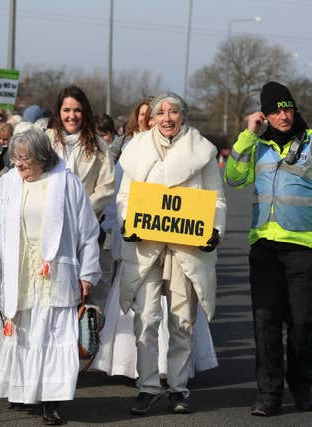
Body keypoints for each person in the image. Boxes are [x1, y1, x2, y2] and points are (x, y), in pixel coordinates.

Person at [225, 81, 312, 416]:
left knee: (301, 324)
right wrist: (247, 135)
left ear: (295, 109)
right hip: (264, 247)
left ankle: (301, 387)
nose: (283, 115)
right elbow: (234, 177)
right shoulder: (258, 145)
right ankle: (268, 394)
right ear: (264, 114)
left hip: (304, 249)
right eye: (275, 110)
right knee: (264, 324)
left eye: (288, 108)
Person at [0, 127, 100, 425]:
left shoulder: (66, 184)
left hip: (55, 272)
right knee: (22, 331)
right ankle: (22, 391)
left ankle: (50, 400)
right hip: (17, 270)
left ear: (43, 158)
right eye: (15, 159)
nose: (18, 166)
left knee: (51, 334)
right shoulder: (6, 185)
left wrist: (88, 273)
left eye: (25, 160)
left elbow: (88, 232)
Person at [117, 92, 227, 415]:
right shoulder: (135, 151)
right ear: (151, 117)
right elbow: (125, 196)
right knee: (147, 318)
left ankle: (178, 388)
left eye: (174, 111)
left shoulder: (201, 151)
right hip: (147, 245)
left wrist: (213, 231)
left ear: (183, 116)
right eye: (161, 112)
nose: (167, 118)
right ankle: (148, 385)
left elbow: (216, 199)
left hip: (185, 247)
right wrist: (127, 222)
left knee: (182, 320)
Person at [47, 86, 115, 220]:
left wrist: (85, 210)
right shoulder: (45, 140)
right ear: (59, 112)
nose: (72, 116)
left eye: (77, 110)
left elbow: (106, 186)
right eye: (66, 110)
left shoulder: (98, 144)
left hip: (83, 222)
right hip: (48, 219)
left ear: (85, 112)